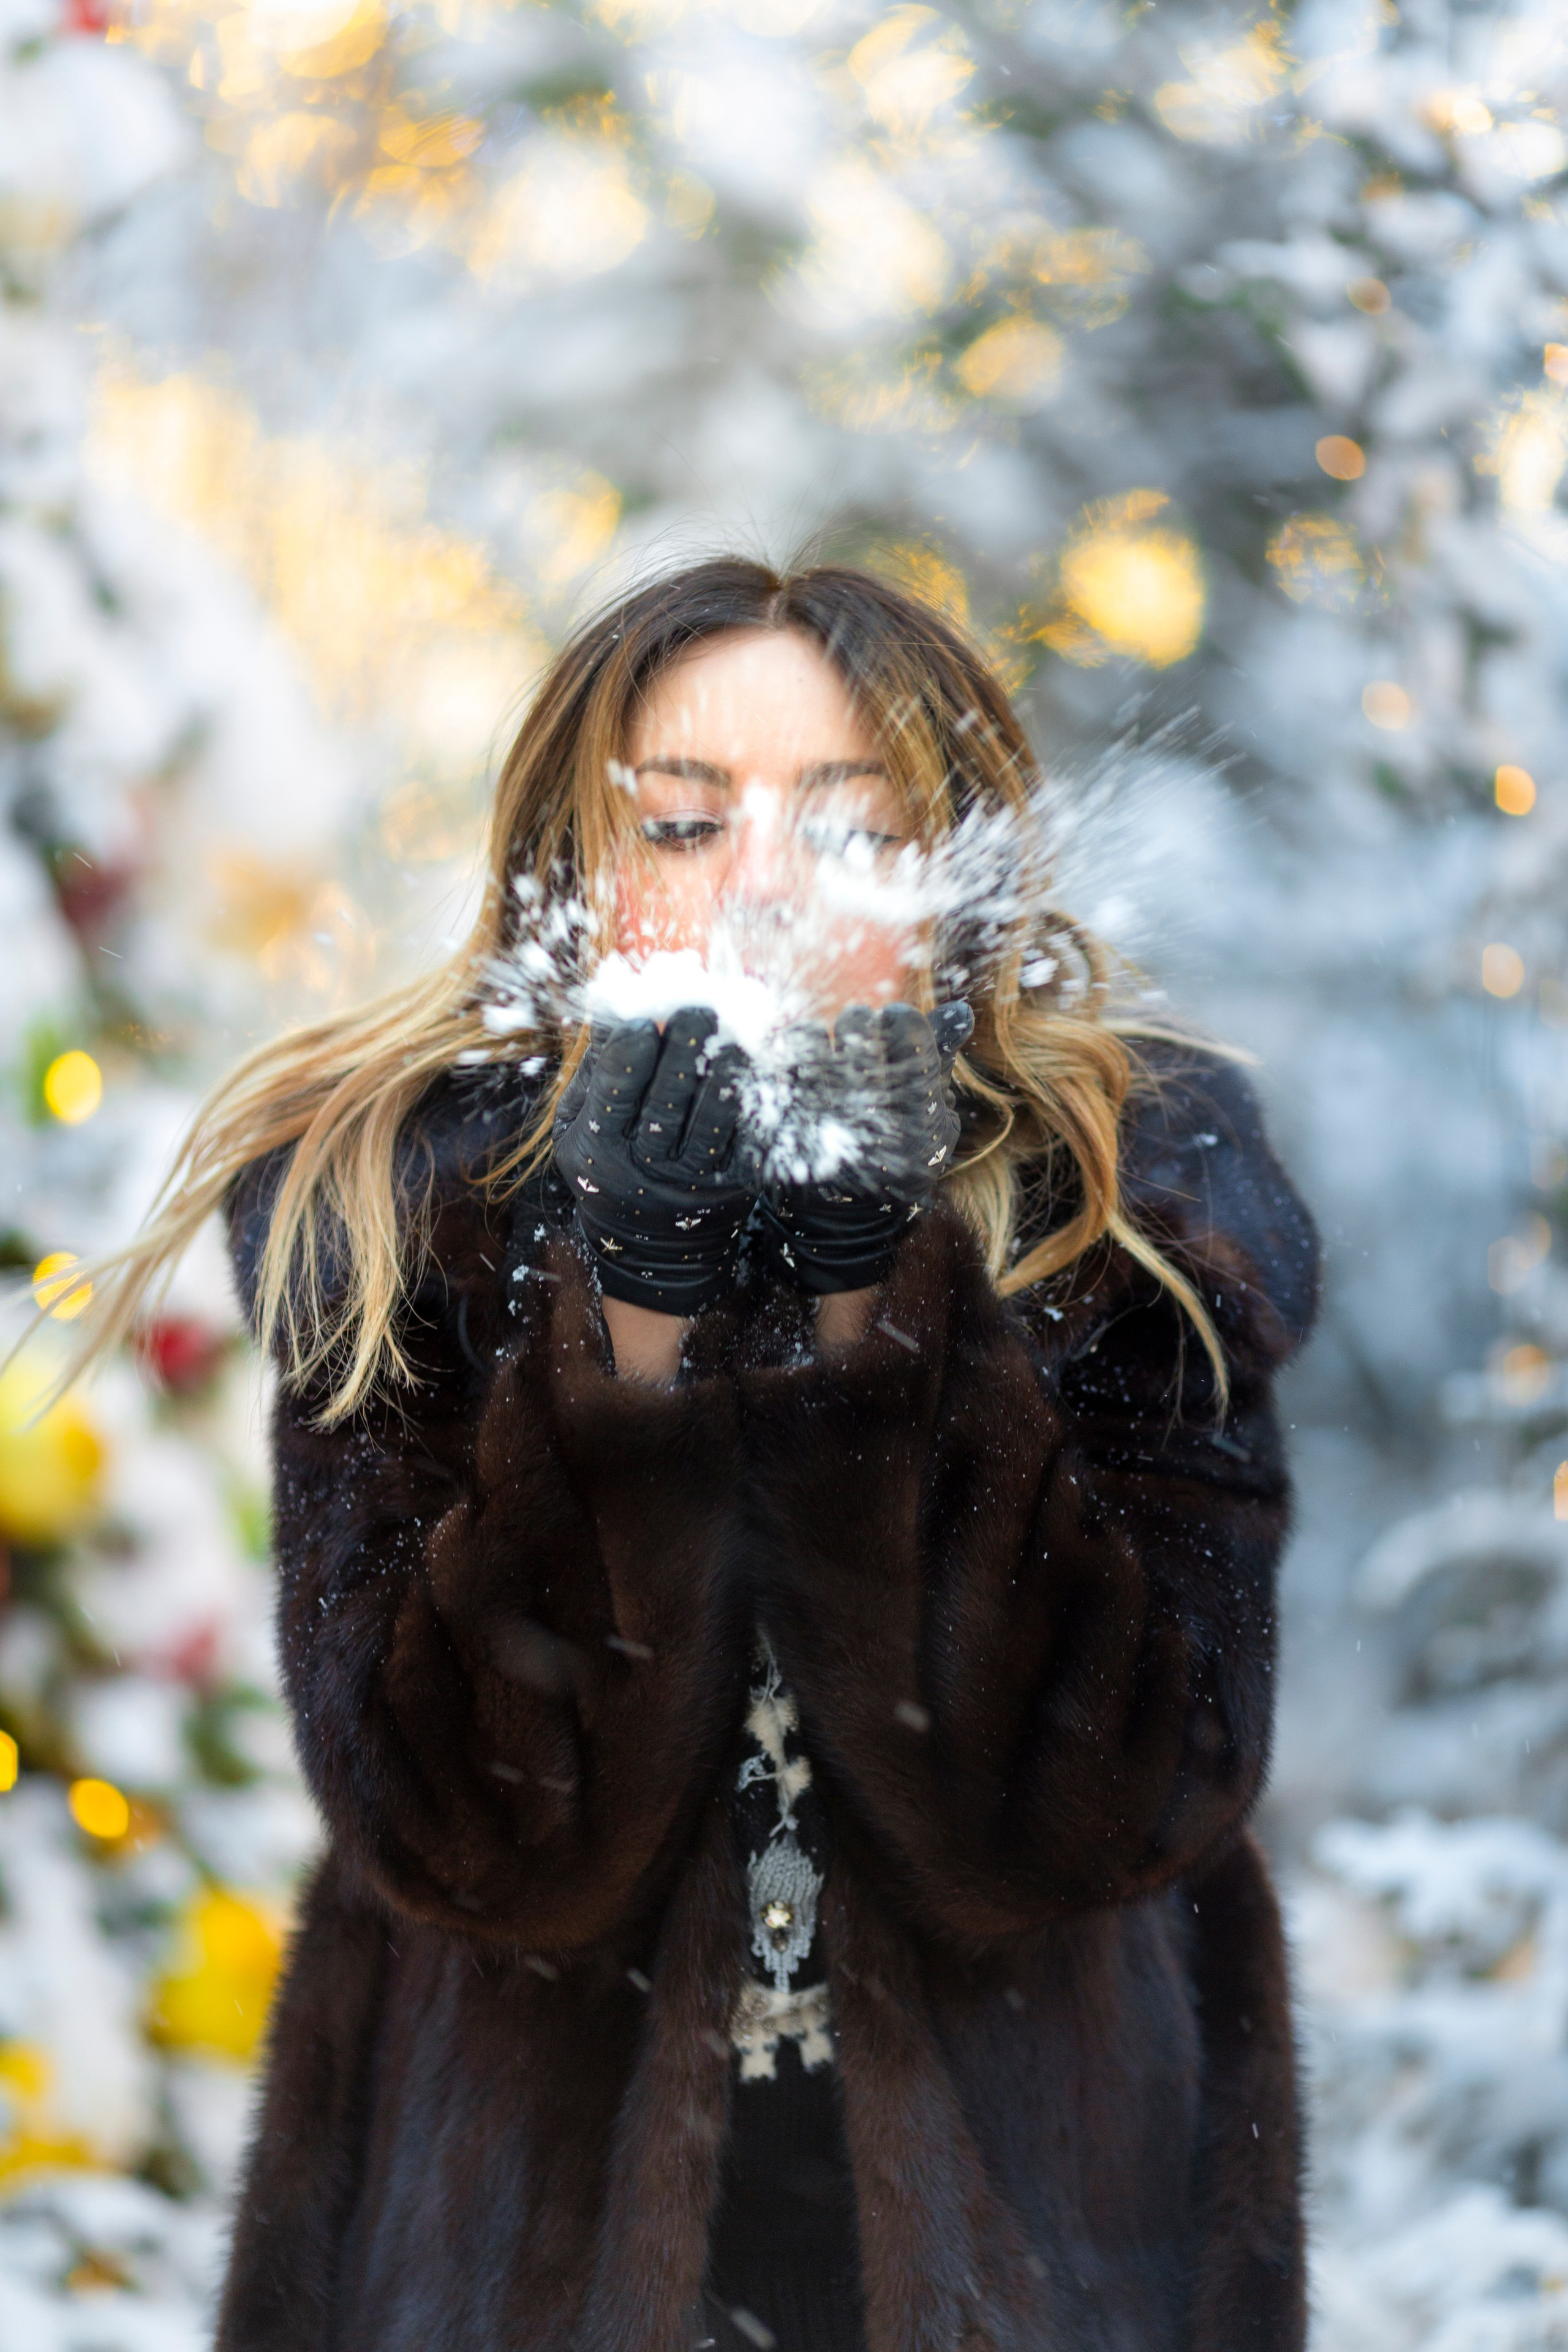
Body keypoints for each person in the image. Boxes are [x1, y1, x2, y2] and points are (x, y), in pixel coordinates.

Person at [80, 559, 1319, 2351]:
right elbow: (461, 1840)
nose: (765, 885)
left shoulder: (1129, 1217)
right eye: (681, 823)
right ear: (572, 872)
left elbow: (1120, 1808)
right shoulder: (412, 1214)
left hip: (1054, 2270)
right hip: (507, 2276)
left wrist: (879, 1326)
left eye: (851, 827)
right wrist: (630, 1342)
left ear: (957, 869)